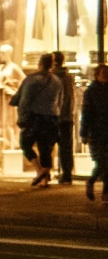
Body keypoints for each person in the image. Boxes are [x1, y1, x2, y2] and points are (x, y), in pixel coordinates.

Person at [16, 55, 63, 186]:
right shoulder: (57, 81)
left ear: (40, 64)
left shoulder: (31, 80)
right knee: (45, 148)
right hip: (51, 118)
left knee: (25, 144)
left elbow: (23, 101)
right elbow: (60, 101)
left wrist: (22, 117)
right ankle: (44, 180)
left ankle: (40, 170)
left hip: (34, 118)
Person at [82, 63, 108, 202]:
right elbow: (86, 113)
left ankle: (105, 192)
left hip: (103, 130)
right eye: (103, 74)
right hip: (97, 131)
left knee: (106, 163)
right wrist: (84, 133)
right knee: (102, 162)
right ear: (97, 75)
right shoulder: (91, 91)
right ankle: (91, 181)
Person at [56, 52, 80, 186]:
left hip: (55, 116)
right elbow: (70, 98)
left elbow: (66, 98)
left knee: (47, 146)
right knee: (66, 146)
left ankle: (47, 174)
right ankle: (67, 174)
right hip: (66, 117)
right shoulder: (68, 77)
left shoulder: (53, 77)